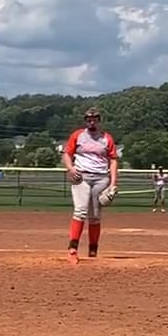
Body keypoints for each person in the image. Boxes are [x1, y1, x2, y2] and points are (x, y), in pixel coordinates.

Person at [62, 105, 119, 263]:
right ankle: (73, 249)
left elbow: (113, 160)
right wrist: (70, 168)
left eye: (94, 120)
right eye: (89, 120)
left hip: (101, 178)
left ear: (99, 121)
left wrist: (113, 183)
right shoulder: (78, 135)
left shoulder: (106, 138)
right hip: (82, 176)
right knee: (80, 211)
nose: (91, 123)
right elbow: (67, 154)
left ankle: (93, 250)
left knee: (94, 216)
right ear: (85, 121)